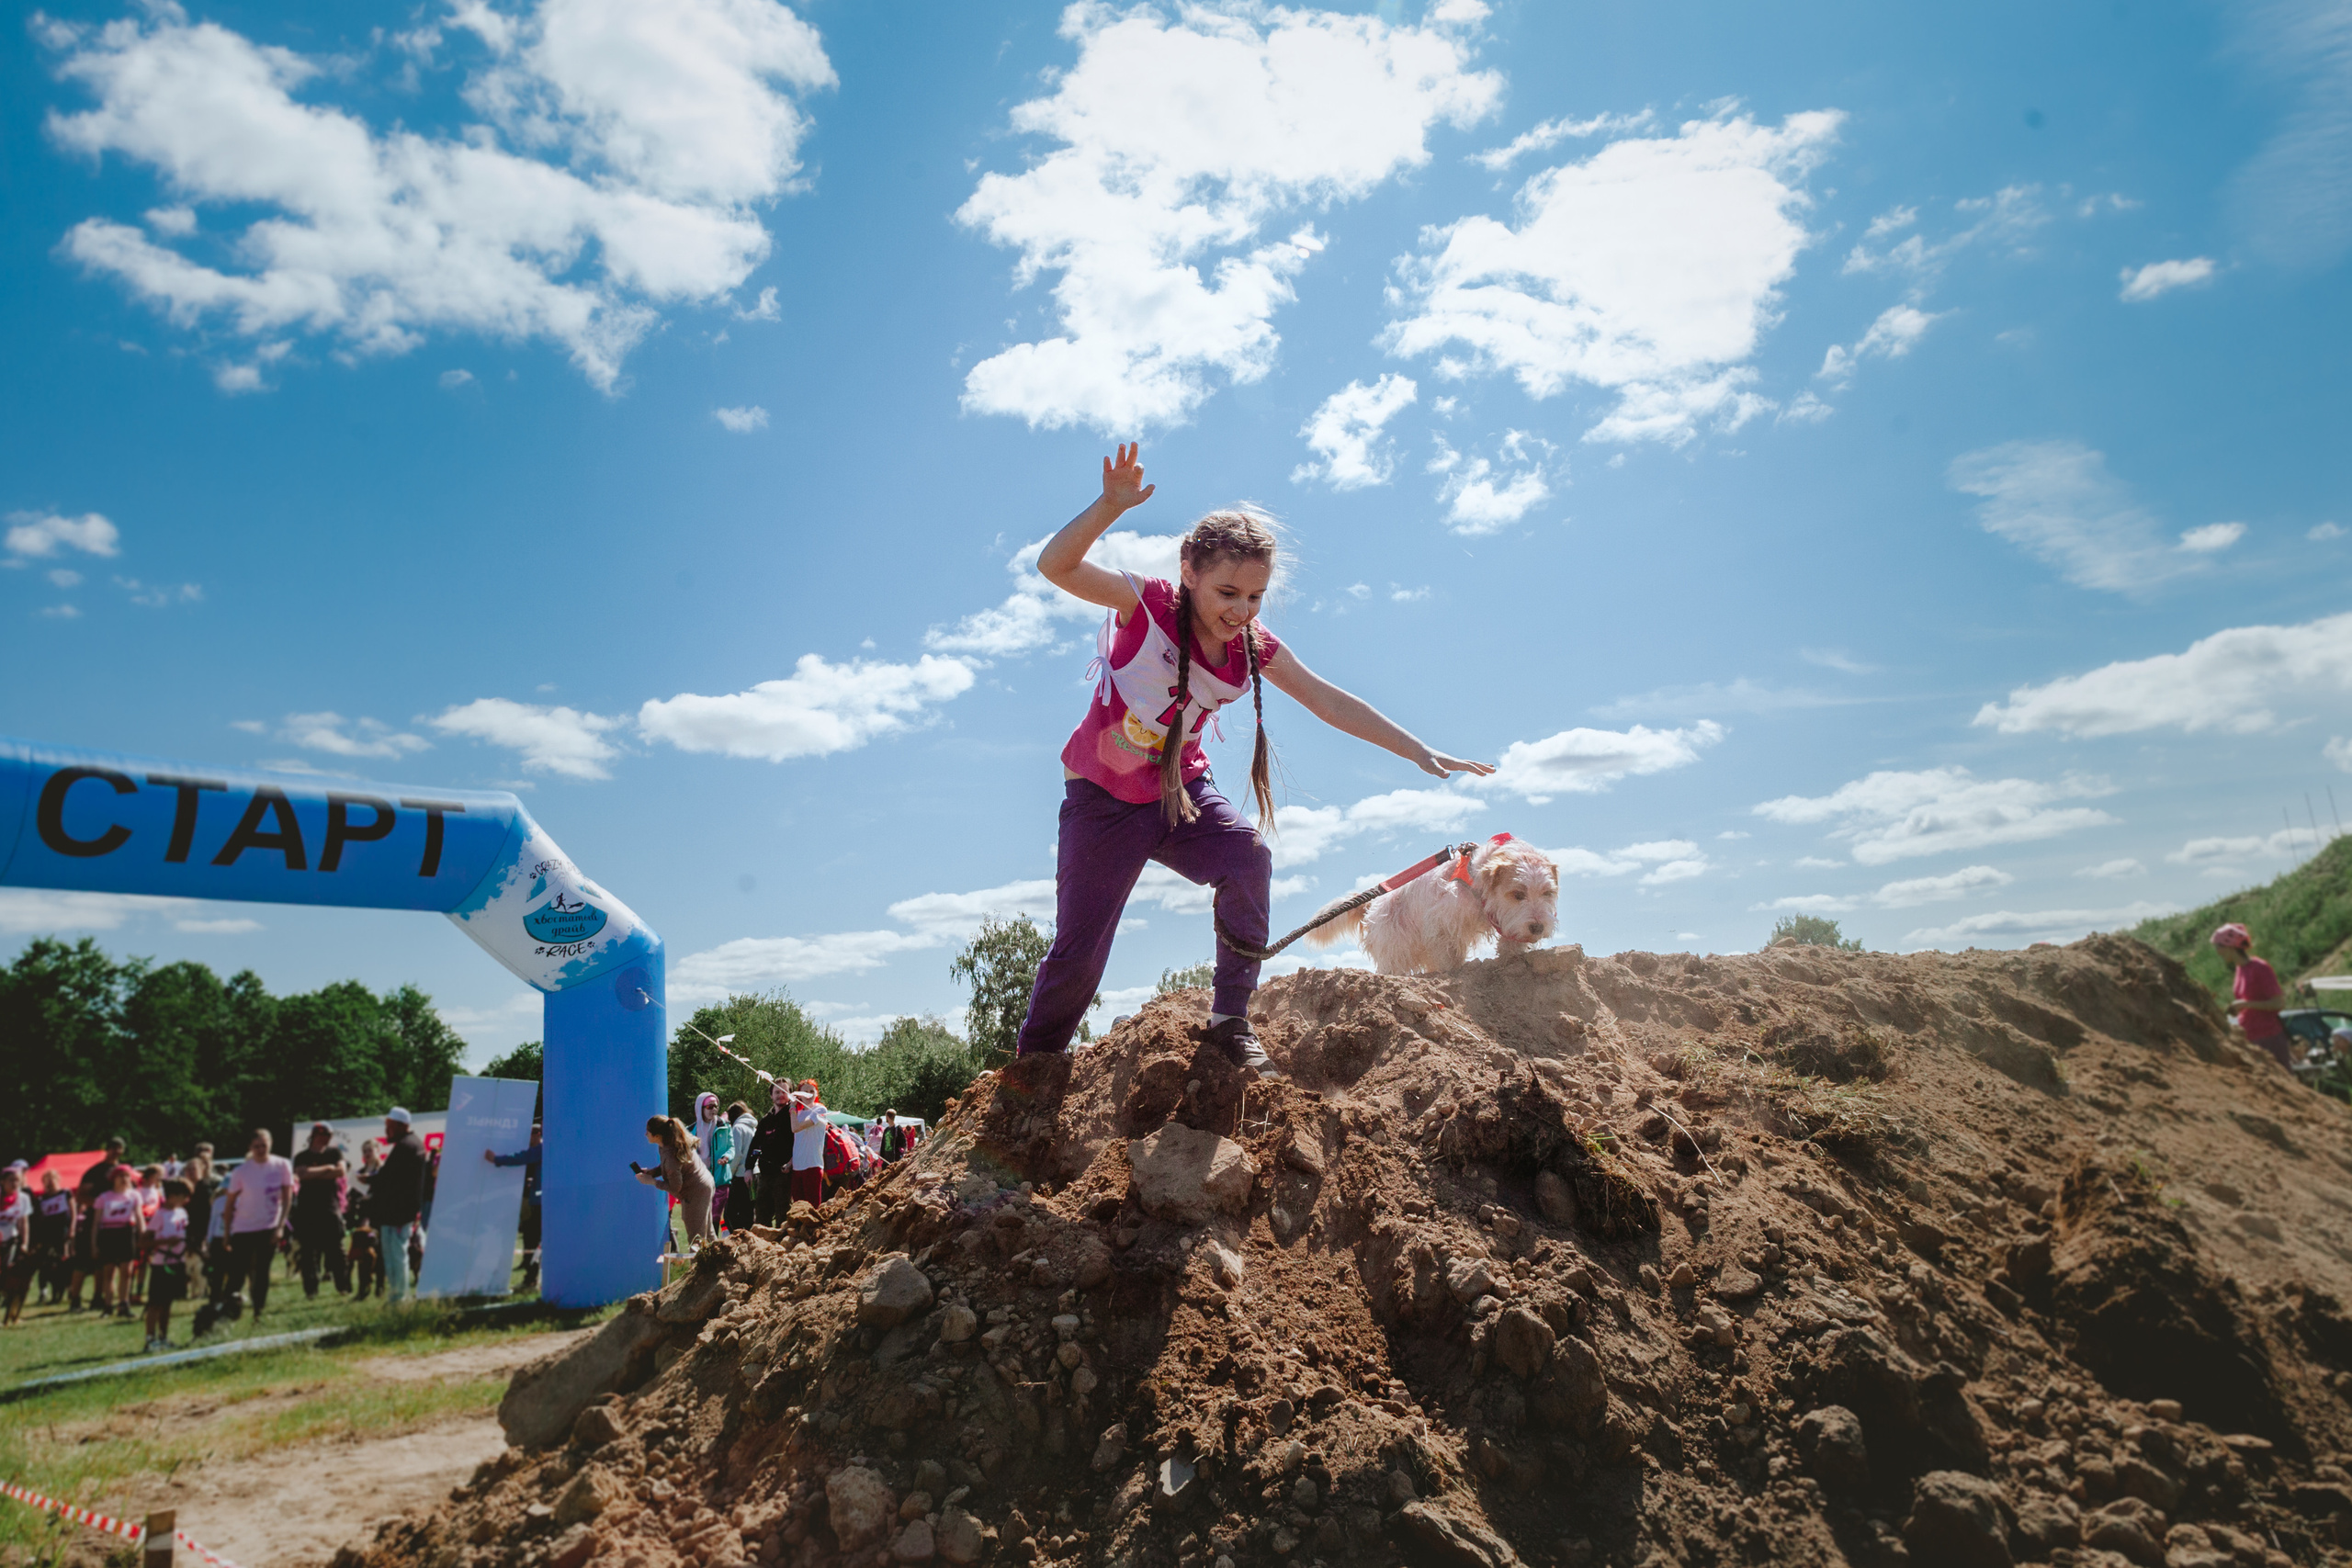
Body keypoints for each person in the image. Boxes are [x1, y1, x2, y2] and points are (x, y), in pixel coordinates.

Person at [1015, 446, 1493, 1075]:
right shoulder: (1149, 606)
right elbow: (1057, 566)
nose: (1241, 611)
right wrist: (1109, 506)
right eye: (1228, 592)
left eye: (1256, 596)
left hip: (1179, 793)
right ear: (1188, 570)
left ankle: (1229, 1022)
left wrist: (1417, 749)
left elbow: (1326, 699)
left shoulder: (1252, 646)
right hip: (1102, 801)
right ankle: (1032, 1068)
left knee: (1248, 855)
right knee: (1081, 954)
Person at [218, 1129, 295, 1320]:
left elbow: (287, 1198)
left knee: (261, 1272)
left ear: (270, 1144)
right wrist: (227, 1234)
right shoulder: (241, 1172)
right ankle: (228, 1313)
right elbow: (229, 1204)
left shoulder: (282, 1165)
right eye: (256, 1146)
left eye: (264, 1145)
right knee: (237, 1273)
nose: (260, 1150)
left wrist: (280, 1226)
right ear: (250, 1148)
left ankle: (258, 1310)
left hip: (268, 1224)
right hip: (243, 1226)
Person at [371, 1110, 429, 1305]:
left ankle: (399, 1297)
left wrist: (370, 1180)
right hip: (400, 1212)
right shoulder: (413, 1144)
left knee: (396, 1256)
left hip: (397, 1213)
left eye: (390, 1125)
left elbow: (390, 1179)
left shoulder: (406, 1146)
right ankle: (398, 1295)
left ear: (401, 1125)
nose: (387, 1129)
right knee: (396, 1255)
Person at [2214, 923, 2291, 1068]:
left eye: (2219, 947)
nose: (2218, 951)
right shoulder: (2239, 969)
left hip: (2268, 1037)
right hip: (2249, 1036)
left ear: (2230, 946)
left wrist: (2245, 1004)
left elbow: (2278, 1003)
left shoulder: (2260, 967)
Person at [635, 1115, 715, 1251]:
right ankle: (718, 1265)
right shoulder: (667, 1144)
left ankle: (699, 1269)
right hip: (704, 1185)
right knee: (707, 1234)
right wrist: (653, 1172)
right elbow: (668, 1167)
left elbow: (676, 1188)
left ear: (657, 1135)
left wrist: (653, 1182)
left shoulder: (670, 1153)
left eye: (647, 1131)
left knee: (697, 1239)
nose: (645, 1134)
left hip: (695, 1191)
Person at [290, 1123, 352, 1297]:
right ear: (315, 1135)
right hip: (307, 1208)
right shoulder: (302, 1156)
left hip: (329, 1205)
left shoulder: (334, 1153)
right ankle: (311, 1290)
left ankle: (343, 1286)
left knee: (336, 1249)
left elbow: (340, 1171)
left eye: (329, 1135)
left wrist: (314, 1173)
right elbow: (301, 1174)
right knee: (308, 1252)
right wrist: (327, 1169)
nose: (326, 1138)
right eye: (324, 1134)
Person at [68, 1136, 128, 1311]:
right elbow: (81, 1196)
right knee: (83, 1261)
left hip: (115, 1222)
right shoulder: (95, 1171)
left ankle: (98, 1297)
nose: (116, 1151)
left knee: (106, 1261)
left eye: (119, 1148)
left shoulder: (122, 1171)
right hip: (93, 1219)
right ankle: (75, 1299)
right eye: (112, 1148)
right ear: (107, 1149)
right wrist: (103, 1204)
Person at [485, 1122, 544, 1292]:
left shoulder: (541, 1149)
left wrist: (496, 1159)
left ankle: (531, 1281)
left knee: (533, 1241)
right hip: (538, 1202)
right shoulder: (548, 1147)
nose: (533, 1135)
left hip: (539, 1203)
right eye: (531, 1132)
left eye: (536, 1132)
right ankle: (532, 1279)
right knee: (533, 1240)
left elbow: (520, 1157)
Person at [91, 1163, 145, 1319]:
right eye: (120, 1176)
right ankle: (108, 1305)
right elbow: (96, 1223)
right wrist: (94, 1244)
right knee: (109, 1272)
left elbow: (139, 1216)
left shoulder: (134, 1195)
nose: (123, 1179)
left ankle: (124, 1303)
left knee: (127, 1271)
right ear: (113, 1179)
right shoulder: (104, 1197)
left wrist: (143, 1234)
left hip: (126, 1232)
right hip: (108, 1233)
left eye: (127, 1176)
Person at [144, 1179, 193, 1350]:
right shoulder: (160, 1215)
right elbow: (145, 1241)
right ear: (172, 1196)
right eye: (182, 1196)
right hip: (161, 1262)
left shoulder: (182, 1213)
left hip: (177, 1261)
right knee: (155, 1303)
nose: (186, 1199)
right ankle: (150, 1338)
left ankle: (163, 1336)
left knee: (168, 1302)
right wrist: (166, 1241)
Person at [745, 1079, 795, 1225]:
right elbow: (755, 1145)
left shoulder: (792, 1117)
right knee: (761, 1216)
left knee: (783, 1217)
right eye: (777, 1092)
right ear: (771, 1096)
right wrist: (748, 1167)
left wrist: (791, 1162)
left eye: (784, 1092)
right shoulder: (766, 1120)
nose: (781, 1095)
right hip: (765, 1175)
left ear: (790, 1094)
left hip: (784, 1174)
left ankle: (784, 1247)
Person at [695, 1092, 737, 1235]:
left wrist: (726, 1157)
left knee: (715, 1217)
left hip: (720, 1179)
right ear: (700, 1108)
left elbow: (731, 1148)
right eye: (709, 1106)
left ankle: (714, 1249)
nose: (713, 1109)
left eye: (716, 1106)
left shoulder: (724, 1126)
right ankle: (702, 1250)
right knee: (700, 1219)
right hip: (700, 1181)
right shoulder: (691, 1130)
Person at [32, 1170, 74, 1306]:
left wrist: (72, 1229)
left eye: (52, 1179)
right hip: (47, 1234)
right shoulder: (41, 1199)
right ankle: (44, 1291)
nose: (50, 1183)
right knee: (45, 1263)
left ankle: (67, 1289)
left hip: (62, 1232)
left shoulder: (65, 1194)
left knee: (64, 1263)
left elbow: (73, 1213)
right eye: (47, 1180)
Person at [0, 1168, 33, 1326]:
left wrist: (25, 1242)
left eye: (17, 1181)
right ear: (2, 1182)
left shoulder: (23, 1198)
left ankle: (12, 1312)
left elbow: (23, 1222)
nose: (14, 1184)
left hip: (10, 1240)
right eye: (10, 1180)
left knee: (9, 1275)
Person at [789, 1082, 830, 1209]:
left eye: (812, 1091)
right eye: (805, 1092)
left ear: (817, 1093)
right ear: (799, 1096)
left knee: (813, 1207)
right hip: (797, 1166)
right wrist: (790, 1163)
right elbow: (798, 1141)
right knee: (798, 1208)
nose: (809, 1095)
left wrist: (792, 1109)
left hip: (813, 1164)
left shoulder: (820, 1110)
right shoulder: (798, 1113)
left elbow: (796, 1128)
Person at [720, 1101, 759, 1232]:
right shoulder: (753, 1127)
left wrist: (729, 1173)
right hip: (754, 1172)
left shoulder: (737, 1128)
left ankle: (739, 1241)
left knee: (730, 1214)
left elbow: (736, 1154)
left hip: (740, 1174)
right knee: (748, 1213)